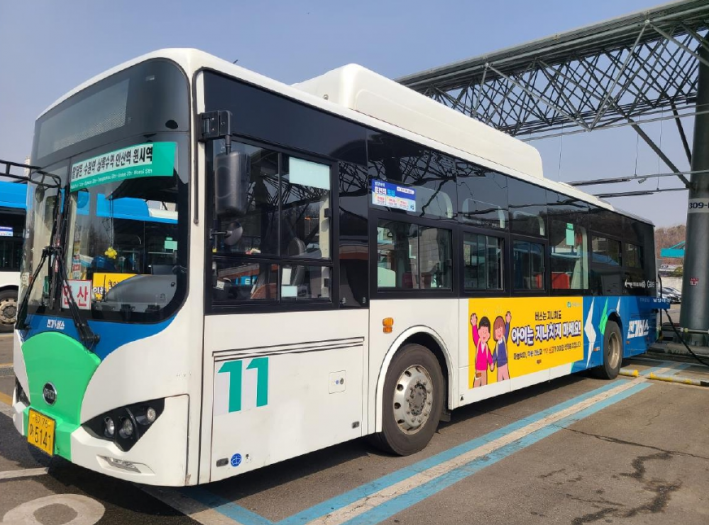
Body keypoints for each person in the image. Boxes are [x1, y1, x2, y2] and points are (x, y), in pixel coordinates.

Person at [470, 313, 495, 388]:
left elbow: (489, 356)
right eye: (482, 331)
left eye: (486, 331)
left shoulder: (487, 348)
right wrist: (474, 325)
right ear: (478, 332)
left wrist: (491, 363)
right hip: (478, 370)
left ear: (489, 335)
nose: (484, 334)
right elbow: (474, 335)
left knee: (484, 384)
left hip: (484, 370)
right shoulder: (478, 343)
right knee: (476, 383)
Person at [492, 312, 512, 381]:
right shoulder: (496, 346)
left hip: (505, 364)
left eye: (500, 330)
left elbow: (507, 331)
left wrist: (508, 322)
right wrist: (493, 363)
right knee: (499, 380)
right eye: (497, 331)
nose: (499, 333)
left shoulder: (504, 339)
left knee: (506, 378)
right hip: (499, 367)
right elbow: (494, 355)